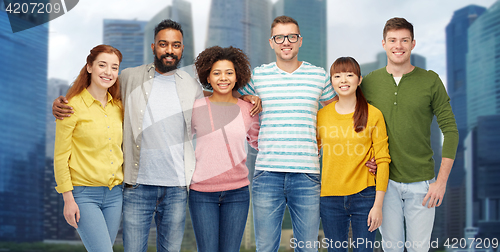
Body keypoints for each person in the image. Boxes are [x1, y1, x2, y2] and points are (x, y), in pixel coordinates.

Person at [52, 20, 261, 252]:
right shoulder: (130, 77)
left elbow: (217, 93)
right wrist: (63, 100)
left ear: (182, 49)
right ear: (153, 47)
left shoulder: (191, 86)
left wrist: (241, 96)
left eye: (176, 45)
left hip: (177, 189)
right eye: (163, 44)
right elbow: (99, 83)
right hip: (137, 187)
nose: (169, 50)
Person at [361, 17, 459, 252]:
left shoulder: (430, 80)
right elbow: (356, 127)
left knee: (419, 249)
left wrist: (441, 183)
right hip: (384, 183)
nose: (399, 45)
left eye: (404, 40)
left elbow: (451, 131)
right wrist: (367, 157)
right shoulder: (370, 82)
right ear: (383, 43)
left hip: (423, 184)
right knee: (391, 248)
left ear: (413, 43)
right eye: (393, 40)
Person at [189, 46, 260, 252]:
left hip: (237, 193)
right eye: (217, 73)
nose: (223, 78)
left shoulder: (248, 109)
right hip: (201, 193)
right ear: (208, 78)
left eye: (229, 73)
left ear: (237, 77)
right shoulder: (195, 108)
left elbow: (258, 143)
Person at [53, 44, 123, 252]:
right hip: (84, 195)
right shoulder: (70, 107)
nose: (108, 72)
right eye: (102, 65)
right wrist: (68, 199)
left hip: (114, 195)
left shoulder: (118, 107)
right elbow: (60, 157)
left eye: (114, 67)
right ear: (90, 67)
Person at [317, 57, 390, 252]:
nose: (343, 80)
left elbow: (383, 160)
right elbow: (312, 152)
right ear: (331, 81)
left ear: (359, 80)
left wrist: (378, 205)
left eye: (350, 75)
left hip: (365, 196)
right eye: (337, 76)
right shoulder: (321, 116)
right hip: (330, 197)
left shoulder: (374, 114)